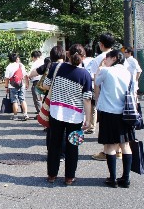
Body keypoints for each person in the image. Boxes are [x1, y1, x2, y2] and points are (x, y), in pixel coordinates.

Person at [43, 44, 92, 185]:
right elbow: (87, 100)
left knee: (54, 145)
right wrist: (88, 120)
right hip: (75, 117)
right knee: (73, 147)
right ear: (83, 57)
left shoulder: (57, 67)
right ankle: (69, 177)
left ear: (68, 55)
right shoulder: (85, 75)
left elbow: (46, 85)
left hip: (56, 113)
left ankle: (52, 175)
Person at [94, 50, 135, 188]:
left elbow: (97, 81)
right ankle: (126, 178)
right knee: (125, 145)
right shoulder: (128, 72)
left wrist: (100, 68)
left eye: (108, 58)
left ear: (115, 58)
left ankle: (112, 179)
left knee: (110, 145)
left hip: (108, 112)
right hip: (125, 112)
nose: (106, 60)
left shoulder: (107, 71)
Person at [85, 33, 115, 138]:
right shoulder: (120, 56)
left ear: (101, 44)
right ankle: (118, 149)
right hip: (120, 93)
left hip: (104, 92)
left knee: (105, 120)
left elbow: (94, 77)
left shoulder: (99, 58)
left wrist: (96, 98)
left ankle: (108, 149)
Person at [4, 52, 29, 120]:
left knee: (14, 101)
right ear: (16, 59)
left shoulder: (8, 67)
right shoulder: (20, 65)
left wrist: (6, 87)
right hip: (21, 85)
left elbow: (7, 78)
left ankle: (15, 116)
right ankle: (25, 114)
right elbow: (25, 75)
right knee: (22, 99)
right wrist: (27, 83)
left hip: (13, 86)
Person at [28, 50, 43, 115]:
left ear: (33, 57)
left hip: (37, 82)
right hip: (45, 82)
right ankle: (44, 112)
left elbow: (32, 73)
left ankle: (40, 113)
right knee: (43, 98)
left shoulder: (35, 63)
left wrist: (29, 77)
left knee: (37, 98)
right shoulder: (43, 61)